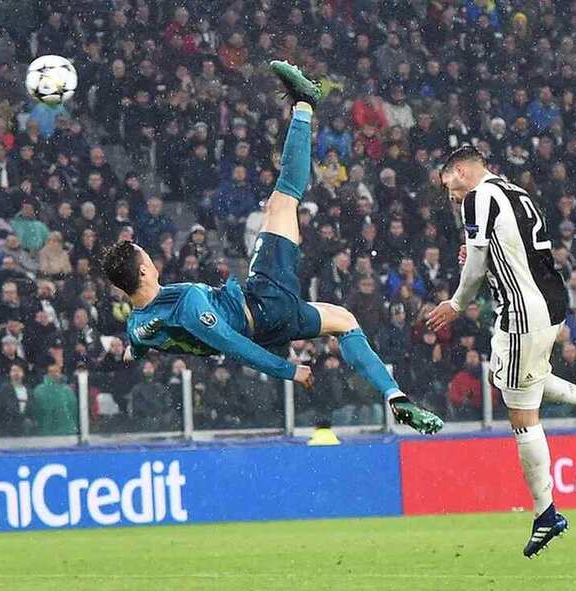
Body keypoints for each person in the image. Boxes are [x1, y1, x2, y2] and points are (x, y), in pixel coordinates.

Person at [102, 61, 442, 434]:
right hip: (264, 303)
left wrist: (132, 350)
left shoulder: (137, 327)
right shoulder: (189, 306)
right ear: (145, 270)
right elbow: (231, 346)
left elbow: (138, 344)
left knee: (344, 321)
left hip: (267, 324)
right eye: (146, 257)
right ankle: (304, 104)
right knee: (282, 201)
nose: (152, 258)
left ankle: (395, 396)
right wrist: (289, 371)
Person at [427, 145, 576, 558]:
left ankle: (546, 511)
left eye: (447, 182)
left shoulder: (478, 196)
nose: (448, 193)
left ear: (460, 171)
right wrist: (480, 254)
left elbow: (479, 261)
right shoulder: (513, 191)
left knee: (521, 412)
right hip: (548, 303)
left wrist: (456, 304)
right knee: (517, 380)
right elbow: (515, 250)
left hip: (521, 310)